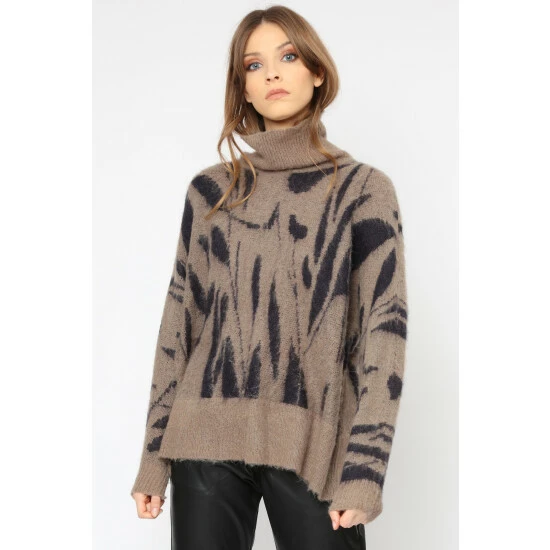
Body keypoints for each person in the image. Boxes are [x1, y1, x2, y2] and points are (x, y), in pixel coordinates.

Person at [130, 5, 408, 549]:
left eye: (288, 57)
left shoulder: (363, 190)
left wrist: (365, 470)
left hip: (314, 444)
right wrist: (153, 459)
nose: (272, 74)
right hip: (203, 438)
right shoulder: (211, 192)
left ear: (317, 71)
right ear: (244, 88)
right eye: (254, 66)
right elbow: (178, 324)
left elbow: (385, 335)